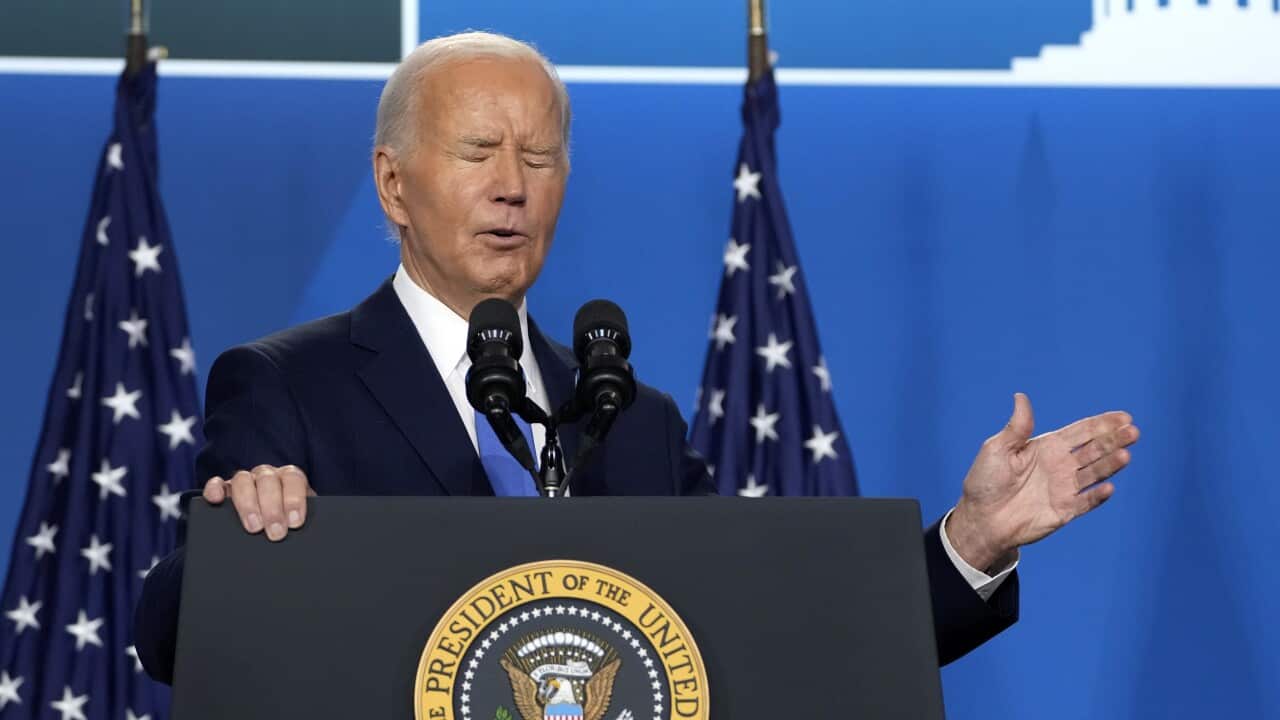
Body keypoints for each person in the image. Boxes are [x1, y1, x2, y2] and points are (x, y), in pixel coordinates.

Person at [133, 32, 1140, 685]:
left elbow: (786, 634)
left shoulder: (629, 419)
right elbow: (171, 636)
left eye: (537, 159)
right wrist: (238, 547)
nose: (511, 188)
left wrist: (970, 541)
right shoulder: (286, 385)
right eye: (478, 152)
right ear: (392, 186)